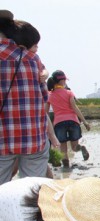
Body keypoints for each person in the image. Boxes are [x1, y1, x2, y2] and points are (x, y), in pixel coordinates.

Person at [0, 12, 57, 185]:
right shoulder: (34, 59)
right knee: (31, 191)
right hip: (33, 137)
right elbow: (43, 97)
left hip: (2, 137)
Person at [46, 70, 91, 168]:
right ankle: (81, 148)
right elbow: (75, 108)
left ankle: (66, 168)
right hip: (73, 121)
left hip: (59, 123)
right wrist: (85, 122)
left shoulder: (50, 95)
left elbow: (45, 113)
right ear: (63, 81)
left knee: (63, 149)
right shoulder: (69, 93)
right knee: (74, 147)